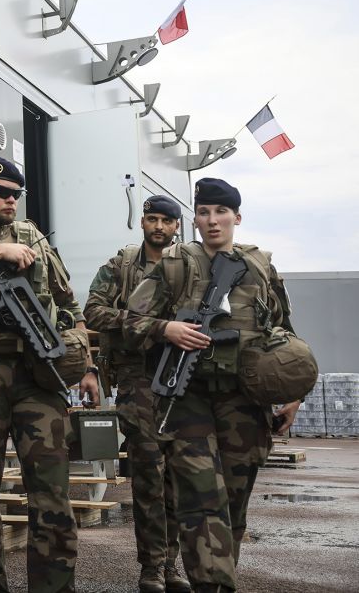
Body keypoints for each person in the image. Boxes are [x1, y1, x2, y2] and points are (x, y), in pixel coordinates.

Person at [125, 178, 301, 593]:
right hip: (189, 401)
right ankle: (212, 586)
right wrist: (167, 327)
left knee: (234, 506)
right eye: (203, 212)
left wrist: (293, 393)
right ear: (195, 219)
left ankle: (222, 578)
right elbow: (130, 321)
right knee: (202, 504)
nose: (212, 221)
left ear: (236, 217)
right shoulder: (173, 264)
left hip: (245, 400)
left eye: (220, 212)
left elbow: (283, 331)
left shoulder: (259, 266)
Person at [0, 157, 95, 593]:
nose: (11, 200)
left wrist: (85, 364)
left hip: (38, 376)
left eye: (16, 194)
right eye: (0, 192)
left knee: (52, 498)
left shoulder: (35, 239)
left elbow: (70, 307)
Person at [83, 194, 192, 593]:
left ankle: (173, 564)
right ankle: (151, 567)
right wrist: (153, 326)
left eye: (167, 220)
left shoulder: (190, 266)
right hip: (137, 380)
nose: (159, 226)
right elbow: (92, 313)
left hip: (181, 380)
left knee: (177, 481)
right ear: (142, 222)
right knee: (148, 476)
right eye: (152, 219)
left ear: (177, 226)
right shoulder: (121, 266)